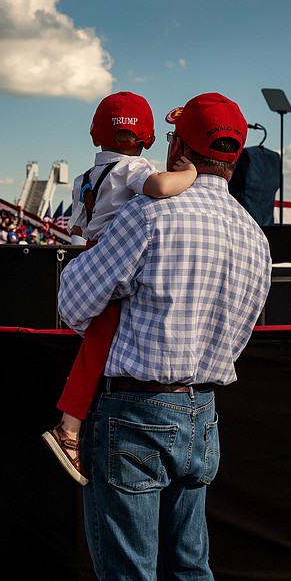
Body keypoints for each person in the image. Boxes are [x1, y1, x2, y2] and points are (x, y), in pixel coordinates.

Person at [57, 92, 272, 581]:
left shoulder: (149, 215)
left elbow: (73, 306)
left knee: (130, 579)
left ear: (178, 147)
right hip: (203, 414)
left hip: (134, 415)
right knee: (191, 571)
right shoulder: (254, 236)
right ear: (235, 157)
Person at [42, 91, 198, 487]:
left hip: (90, 255)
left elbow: (76, 228)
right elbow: (162, 186)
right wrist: (192, 173)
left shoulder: (85, 177)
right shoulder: (134, 169)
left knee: (96, 343)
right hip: (117, 260)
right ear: (146, 138)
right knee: (96, 348)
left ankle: (75, 422)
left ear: (97, 135)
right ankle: (69, 427)